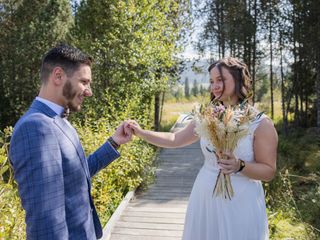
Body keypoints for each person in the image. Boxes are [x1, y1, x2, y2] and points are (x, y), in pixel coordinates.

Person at [128, 57, 278, 240]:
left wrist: (240, 166)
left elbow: (268, 171)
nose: (214, 86)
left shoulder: (260, 123)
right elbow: (175, 138)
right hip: (205, 197)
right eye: (212, 81)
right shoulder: (209, 116)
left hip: (241, 202)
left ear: (238, 81)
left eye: (220, 80)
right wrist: (140, 132)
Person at [9, 44, 132, 239]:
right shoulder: (35, 128)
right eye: (84, 82)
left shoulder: (58, 120)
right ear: (58, 76)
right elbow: (46, 220)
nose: (89, 91)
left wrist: (114, 142)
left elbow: (76, 174)